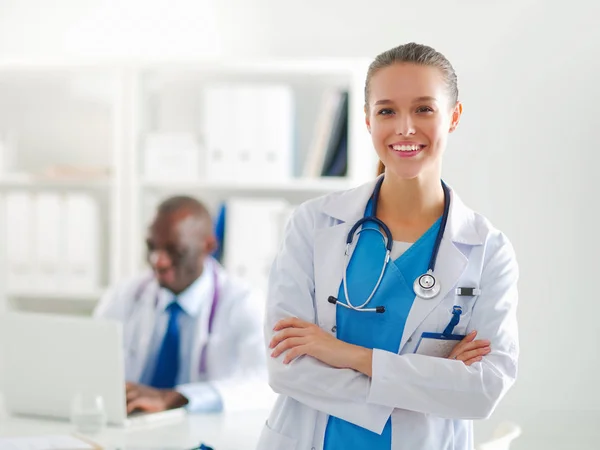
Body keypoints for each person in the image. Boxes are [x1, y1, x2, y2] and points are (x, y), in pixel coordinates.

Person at [258, 43, 519, 450]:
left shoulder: (488, 251)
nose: (405, 128)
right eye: (386, 111)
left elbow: (483, 390)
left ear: (453, 117)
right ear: (366, 120)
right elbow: (286, 366)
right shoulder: (313, 225)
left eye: (424, 109)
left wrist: (344, 353)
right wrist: (428, 383)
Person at [94, 195, 272, 414]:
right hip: (133, 422)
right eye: (152, 247)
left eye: (175, 251)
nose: (159, 261)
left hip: (204, 431)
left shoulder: (244, 302)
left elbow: (266, 384)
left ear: (208, 246)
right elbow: (89, 361)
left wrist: (176, 398)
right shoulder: (126, 294)